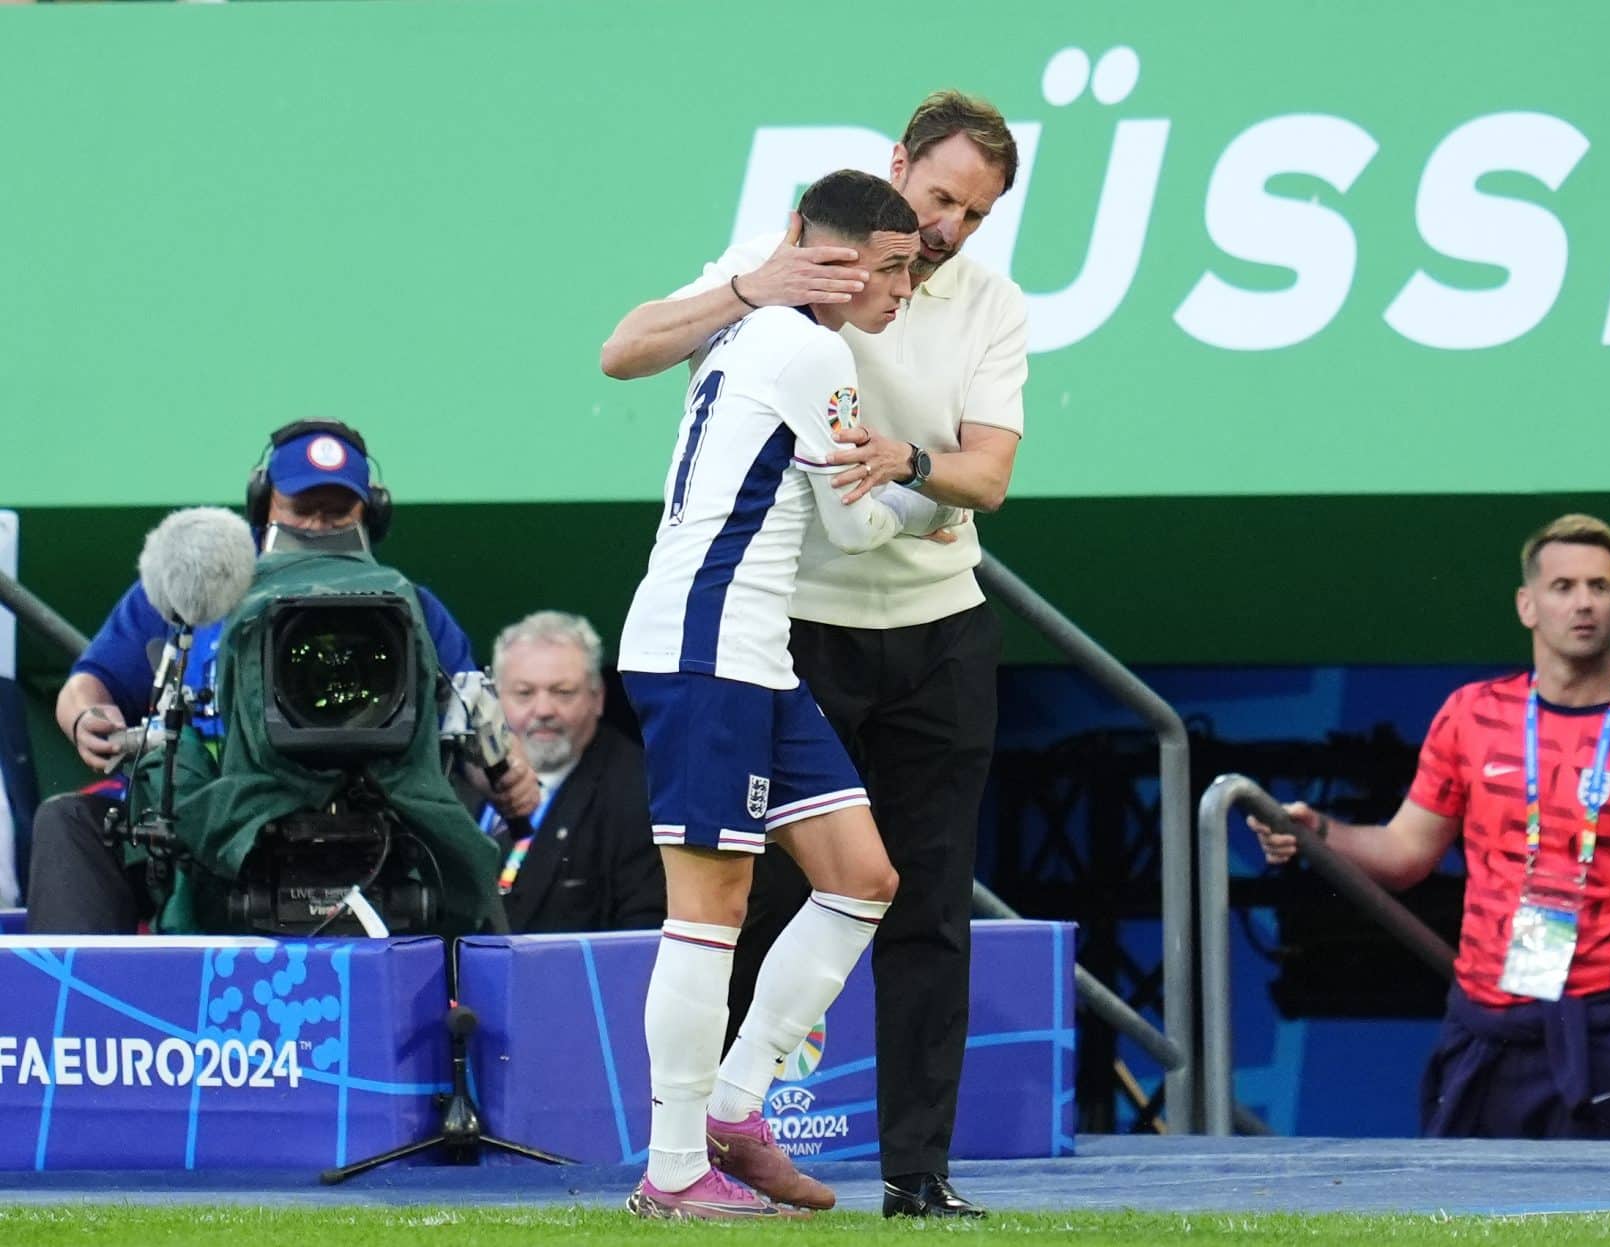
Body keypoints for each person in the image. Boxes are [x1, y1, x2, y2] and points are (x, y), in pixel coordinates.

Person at [601, 90, 1024, 1218]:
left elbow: (891, 498)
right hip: (712, 635)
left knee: (866, 878)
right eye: (899, 256)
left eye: (956, 227)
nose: (914, 275)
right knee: (709, 907)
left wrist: (908, 485)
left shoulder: (796, 335)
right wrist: (918, 493)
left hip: (756, 646)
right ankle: (672, 1165)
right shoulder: (798, 335)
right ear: (829, 254)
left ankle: (736, 1107)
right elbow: (850, 516)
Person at [1251, 514, 1610, 1139]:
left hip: (1605, 1028)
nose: (1583, 603)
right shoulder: (1471, 714)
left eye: (1599, 587)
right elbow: (1405, 853)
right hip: (1485, 1026)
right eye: (1562, 587)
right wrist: (1321, 833)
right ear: (1527, 605)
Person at [26, 420, 538, 933]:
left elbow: (472, 724)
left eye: (336, 512)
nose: (317, 525)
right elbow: (87, 686)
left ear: (370, 513)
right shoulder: (196, 590)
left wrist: (505, 771)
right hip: (208, 815)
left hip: (373, 817)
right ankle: (85, 1011)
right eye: (302, 508)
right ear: (263, 503)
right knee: (69, 823)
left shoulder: (410, 609)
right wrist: (87, 717)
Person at [474, 610, 664, 933]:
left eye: (563, 692)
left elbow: (642, 936)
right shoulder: (457, 773)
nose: (544, 710)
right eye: (524, 693)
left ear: (598, 698)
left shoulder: (639, 791)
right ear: (494, 697)